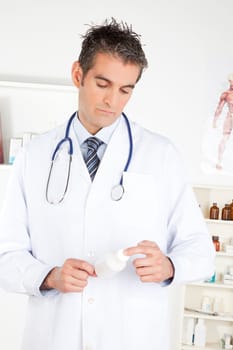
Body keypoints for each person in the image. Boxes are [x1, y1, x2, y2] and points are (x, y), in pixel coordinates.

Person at [0, 18, 215, 350]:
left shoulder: (161, 155)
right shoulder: (34, 156)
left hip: (131, 337)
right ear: (78, 75)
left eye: (125, 90)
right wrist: (49, 276)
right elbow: (6, 255)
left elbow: (201, 252)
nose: (112, 100)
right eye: (103, 83)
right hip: (56, 337)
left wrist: (170, 265)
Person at [213, 74, 233, 170]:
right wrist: (215, 121)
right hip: (230, 117)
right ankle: (219, 162)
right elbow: (219, 108)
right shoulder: (226, 94)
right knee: (224, 139)